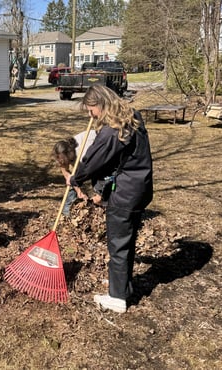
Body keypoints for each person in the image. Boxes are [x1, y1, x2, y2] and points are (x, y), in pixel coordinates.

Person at [65, 85, 153, 313]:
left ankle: (117, 299)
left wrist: (76, 178)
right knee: (127, 241)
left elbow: (94, 161)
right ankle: (123, 286)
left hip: (124, 194)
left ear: (101, 105)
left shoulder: (112, 130)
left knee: (118, 244)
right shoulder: (132, 117)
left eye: (91, 109)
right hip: (139, 188)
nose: (90, 115)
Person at [52, 130, 97, 215]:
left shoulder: (84, 154)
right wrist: (79, 192)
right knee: (72, 184)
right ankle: (66, 215)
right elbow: (66, 173)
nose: (61, 163)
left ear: (69, 153)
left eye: (63, 161)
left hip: (99, 151)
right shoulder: (62, 154)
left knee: (97, 187)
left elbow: (92, 172)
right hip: (82, 160)